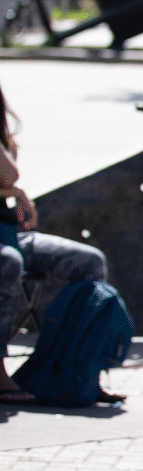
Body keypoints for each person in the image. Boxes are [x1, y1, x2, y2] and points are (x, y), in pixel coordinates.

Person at [0, 83, 111, 405]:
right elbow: (10, 181)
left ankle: (78, 368)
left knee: (88, 261)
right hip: (6, 248)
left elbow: (7, 175)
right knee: (8, 263)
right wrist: (12, 193)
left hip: (9, 234)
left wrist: (10, 190)